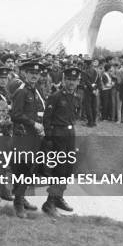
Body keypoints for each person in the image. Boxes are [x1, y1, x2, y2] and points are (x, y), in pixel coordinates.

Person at [42, 67, 81, 217]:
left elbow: (74, 117)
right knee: (59, 169)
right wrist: (49, 138)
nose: (71, 83)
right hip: (57, 135)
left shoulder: (76, 97)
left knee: (68, 168)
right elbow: (47, 118)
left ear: (78, 81)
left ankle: (59, 197)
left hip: (70, 134)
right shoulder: (56, 96)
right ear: (64, 80)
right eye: (69, 80)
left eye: (74, 80)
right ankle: (49, 202)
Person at [10, 61, 45, 218]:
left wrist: (41, 126)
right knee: (22, 170)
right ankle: (18, 204)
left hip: (34, 137)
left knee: (29, 170)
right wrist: (33, 124)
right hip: (22, 136)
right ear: (24, 73)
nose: (34, 75)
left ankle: (21, 197)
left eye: (37, 74)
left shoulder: (35, 91)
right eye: (31, 73)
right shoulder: (22, 91)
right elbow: (15, 115)